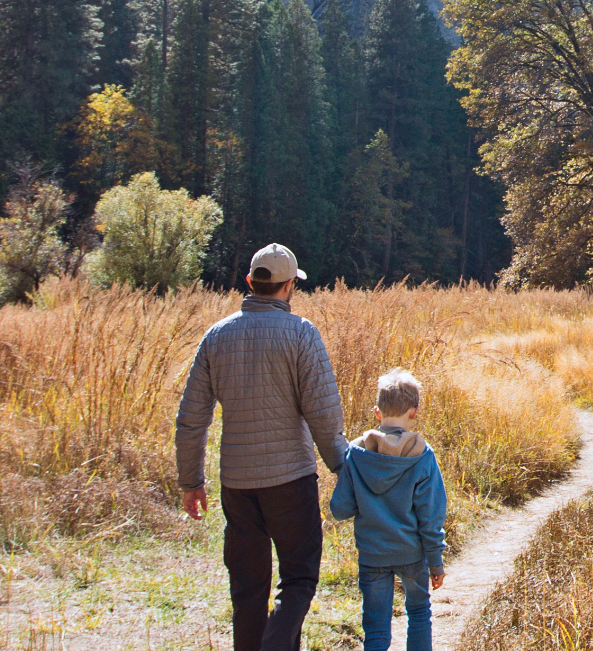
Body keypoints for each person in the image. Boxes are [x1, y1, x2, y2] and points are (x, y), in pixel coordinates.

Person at [175, 243, 347, 651]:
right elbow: (323, 414)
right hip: (291, 480)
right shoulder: (302, 334)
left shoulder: (215, 337)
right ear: (289, 286)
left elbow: (191, 418)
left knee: (248, 590)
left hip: (238, 484)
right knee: (299, 578)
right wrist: (345, 468)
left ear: (251, 282)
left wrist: (191, 480)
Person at [331, 367, 450, 651]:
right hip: (412, 553)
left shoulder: (356, 453)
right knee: (419, 613)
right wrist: (435, 561)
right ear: (414, 412)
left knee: (376, 628)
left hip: (373, 555)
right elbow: (431, 516)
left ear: (377, 412)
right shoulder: (422, 455)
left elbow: (340, 509)